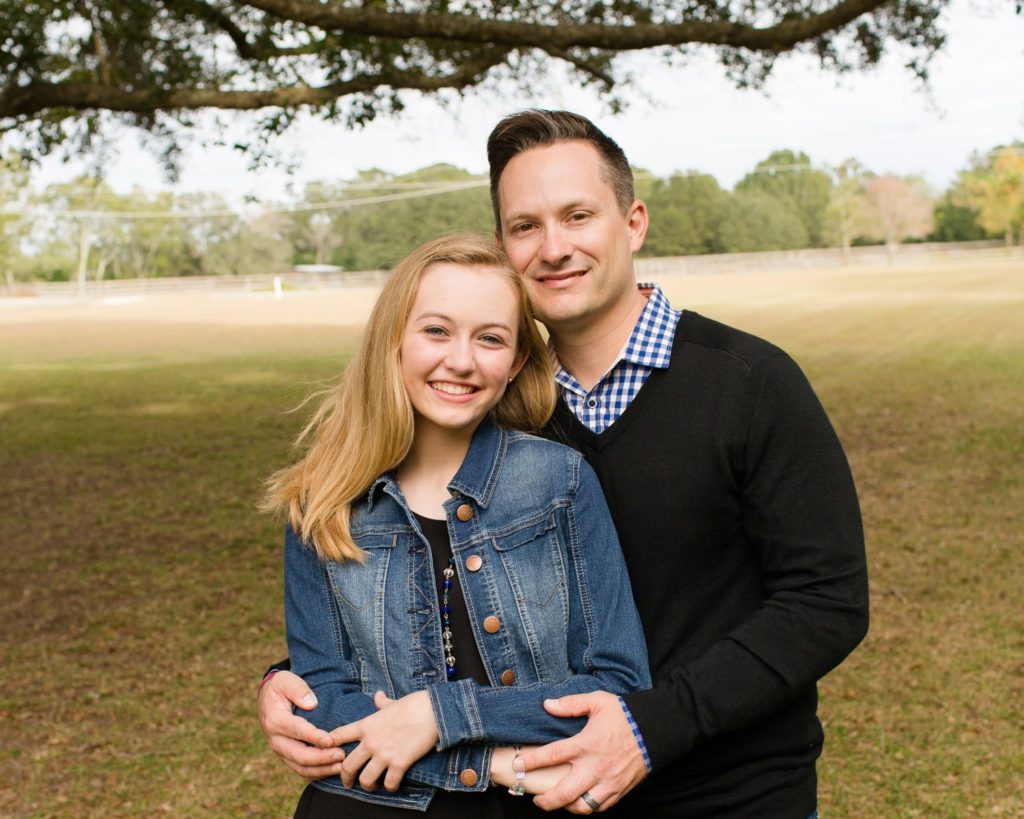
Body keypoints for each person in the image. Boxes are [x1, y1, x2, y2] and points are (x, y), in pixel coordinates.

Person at [260, 111, 869, 817]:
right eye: (525, 226)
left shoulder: (749, 383)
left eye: (578, 215)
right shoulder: (493, 405)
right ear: (502, 246)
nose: (553, 247)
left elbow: (826, 602)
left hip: (728, 788)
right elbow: (421, 582)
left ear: (633, 222)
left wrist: (650, 727)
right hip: (549, 793)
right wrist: (293, 679)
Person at [262, 233, 650, 817]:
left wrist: (440, 715)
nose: (462, 360)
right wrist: (488, 764)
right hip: (371, 804)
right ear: (394, 338)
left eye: (490, 338)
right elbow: (322, 711)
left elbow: (615, 685)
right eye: (436, 331)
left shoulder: (560, 483)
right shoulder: (323, 501)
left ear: (517, 359)